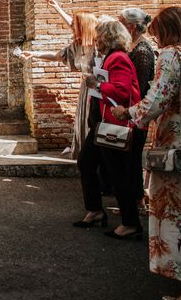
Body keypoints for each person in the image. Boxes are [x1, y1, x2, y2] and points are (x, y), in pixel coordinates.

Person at [112, 7, 181, 300]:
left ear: (168, 31)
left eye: (159, 35)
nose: (158, 42)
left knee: (180, 211)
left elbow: (157, 99)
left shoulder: (173, 55)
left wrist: (127, 112)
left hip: (180, 138)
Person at [75, 21, 141, 239]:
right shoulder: (113, 57)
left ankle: (130, 222)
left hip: (114, 124)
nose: (96, 41)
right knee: (86, 161)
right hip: (103, 124)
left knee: (118, 172)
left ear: (108, 38)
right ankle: (94, 210)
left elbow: (122, 92)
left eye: (99, 37)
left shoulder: (118, 58)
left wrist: (97, 84)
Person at [18, 2, 98, 159]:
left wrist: (58, 9)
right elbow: (56, 56)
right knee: (85, 119)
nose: (72, 28)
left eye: (75, 26)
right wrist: (34, 54)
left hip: (101, 88)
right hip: (87, 88)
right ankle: (86, 152)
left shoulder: (100, 44)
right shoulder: (77, 45)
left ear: (83, 27)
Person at [118, 8, 155, 206]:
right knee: (129, 158)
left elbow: (139, 87)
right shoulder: (134, 47)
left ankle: (137, 200)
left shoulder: (142, 51)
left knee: (132, 159)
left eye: (121, 23)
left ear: (131, 27)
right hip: (131, 112)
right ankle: (135, 200)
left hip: (136, 113)